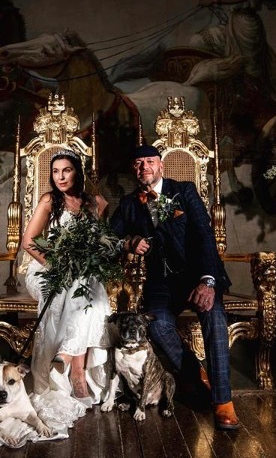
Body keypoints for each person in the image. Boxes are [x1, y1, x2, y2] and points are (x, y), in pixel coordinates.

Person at [110, 144, 241, 430]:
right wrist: (128, 242)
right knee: (156, 326)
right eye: (138, 163)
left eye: (149, 161)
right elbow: (109, 238)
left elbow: (205, 236)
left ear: (161, 166)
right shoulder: (130, 203)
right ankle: (195, 375)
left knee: (215, 318)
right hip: (162, 284)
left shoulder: (185, 191)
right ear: (134, 169)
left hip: (198, 277)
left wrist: (208, 281)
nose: (144, 167)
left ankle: (223, 403)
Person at [21, 149, 112, 406]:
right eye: (56, 171)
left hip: (82, 271)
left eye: (67, 170)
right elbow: (28, 242)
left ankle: (72, 361)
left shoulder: (95, 202)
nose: (61, 177)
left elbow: (102, 242)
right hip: (45, 270)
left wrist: (91, 259)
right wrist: (54, 264)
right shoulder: (50, 200)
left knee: (89, 290)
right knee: (72, 288)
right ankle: (75, 370)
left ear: (77, 173)